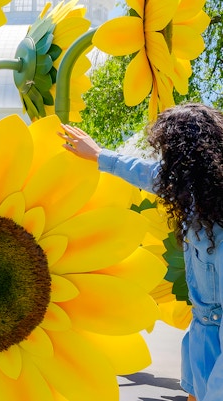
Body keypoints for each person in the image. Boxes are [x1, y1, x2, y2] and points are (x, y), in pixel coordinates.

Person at [59, 103, 223, 401]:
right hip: (204, 330)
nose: (168, 165)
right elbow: (145, 173)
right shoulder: (190, 187)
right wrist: (98, 155)